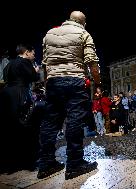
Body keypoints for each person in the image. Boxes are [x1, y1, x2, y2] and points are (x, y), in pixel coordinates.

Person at [37, 11, 99, 180]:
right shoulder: (83, 33)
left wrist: (46, 85)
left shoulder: (49, 34)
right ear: (83, 23)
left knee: (50, 123)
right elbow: (92, 61)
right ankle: (75, 164)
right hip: (75, 81)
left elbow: (45, 63)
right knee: (74, 121)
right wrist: (97, 81)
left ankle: (46, 164)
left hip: (53, 82)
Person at [0, 44, 39, 173]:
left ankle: (11, 163)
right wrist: (36, 71)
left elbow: (5, 78)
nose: (34, 55)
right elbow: (34, 77)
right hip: (21, 94)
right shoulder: (25, 62)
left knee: (10, 128)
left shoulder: (9, 64)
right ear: (26, 52)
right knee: (27, 125)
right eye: (33, 52)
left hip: (7, 95)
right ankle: (28, 162)